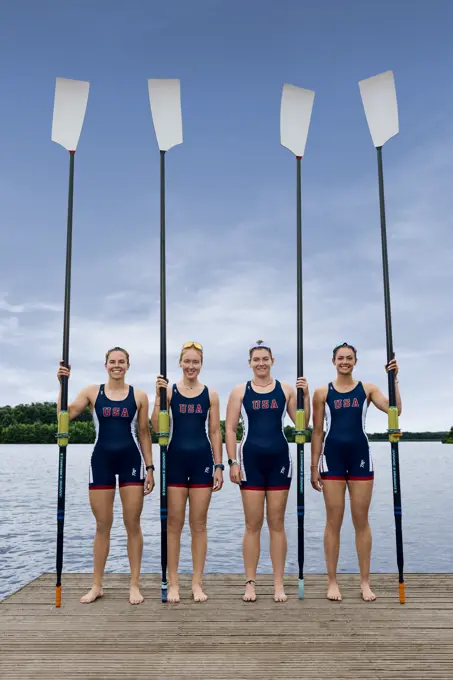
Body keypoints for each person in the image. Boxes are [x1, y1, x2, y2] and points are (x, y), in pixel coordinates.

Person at [57, 347, 155, 605]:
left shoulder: (140, 395)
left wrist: (150, 468)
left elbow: (144, 433)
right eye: (112, 361)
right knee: (102, 525)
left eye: (121, 362)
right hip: (100, 461)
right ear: (106, 365)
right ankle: (97, 585)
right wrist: (62, 385)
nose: (117, 366)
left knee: (132, 524)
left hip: (131, 462)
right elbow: (64, 415)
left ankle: (134, 585)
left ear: (128, 365)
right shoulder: (92, 392)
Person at [310, 342, 402, 602]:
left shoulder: (368, 389)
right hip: (332, 459)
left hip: (361, 458)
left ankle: (364, 582)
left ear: (355, 361)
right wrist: (313, 466)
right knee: (333, 521)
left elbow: (395, 411)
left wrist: (394, 378)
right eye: (341, 358)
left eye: (349, 358)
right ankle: (332, 582)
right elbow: (317, 431)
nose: (345, 362)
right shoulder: (322, 393)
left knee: (361, 521)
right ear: (333, 361)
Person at [225, 340, 310, 603]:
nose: (261, 363)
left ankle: (278, 583)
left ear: (273, 361)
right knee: (252, 525)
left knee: (277, 525)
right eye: (256, 359)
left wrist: (304, 397)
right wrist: (232, 462)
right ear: (250, 363)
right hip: (249, 460)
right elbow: (229, 429)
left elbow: (301, 424)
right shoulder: (240, 391)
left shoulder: (285, 389)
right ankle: (250, 583)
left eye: (265, 359)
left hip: (279, 461)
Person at [152, 341, 223, 604]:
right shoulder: (169, 393)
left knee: (199, 524)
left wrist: (219, 466)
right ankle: (173, 583)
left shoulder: (210, 395)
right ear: (180, 363)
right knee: (174, 524)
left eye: (196, 362)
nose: (191, 366)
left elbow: (215, 431)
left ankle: (196, 582)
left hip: (202, 459)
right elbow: (154, 425)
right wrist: (158, 397)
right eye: (187, 361)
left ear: (201, 364)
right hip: (176, 460)